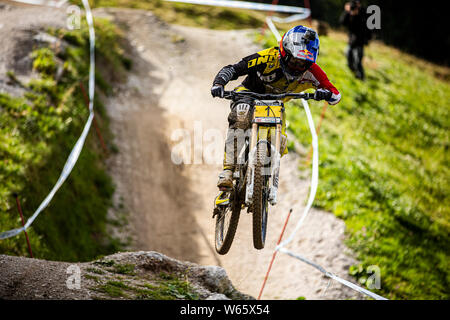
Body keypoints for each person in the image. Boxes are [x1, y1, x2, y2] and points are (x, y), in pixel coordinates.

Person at [211, 25, 341, 190]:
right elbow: (234, 69)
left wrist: (326, 94)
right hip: (249, 93)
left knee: (280, 143)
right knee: (241, 116)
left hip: (276, 104)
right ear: (284, 52)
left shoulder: (312, 71)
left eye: (303, 64)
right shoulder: (267, 57)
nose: (297, 67)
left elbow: (335, 94)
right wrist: (219, 83)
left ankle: (263, 180)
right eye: (294, 61)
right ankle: (228, 170)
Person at [340, 0, 371, 80]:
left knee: (358, 61)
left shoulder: (363, 14)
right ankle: (355, 74)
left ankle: (362, 78)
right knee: (349, 59)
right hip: (351, 42)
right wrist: (346, 11)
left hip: (360, 42)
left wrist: (367, 40)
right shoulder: (349, 14)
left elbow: (367, 28)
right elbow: (342, 22)